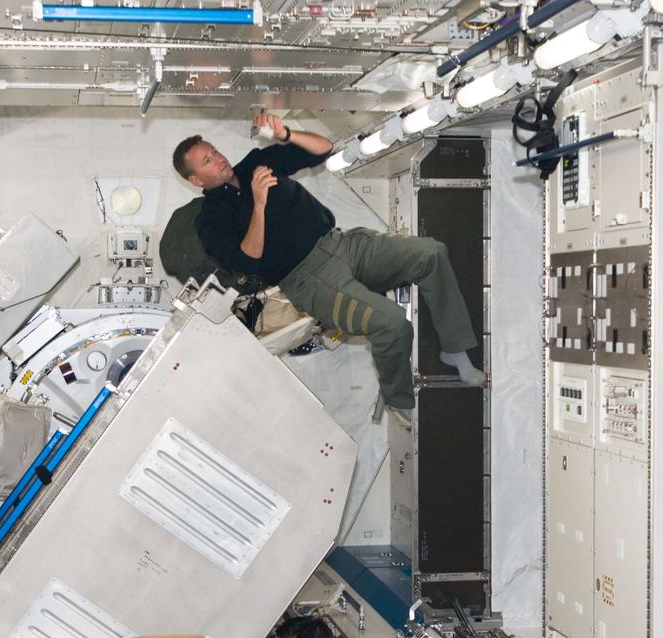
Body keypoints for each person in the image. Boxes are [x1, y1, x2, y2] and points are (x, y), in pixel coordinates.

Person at [171, 114, 485, 416]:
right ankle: (398, 397)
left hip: (341, 243)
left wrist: (286, 134)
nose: (218, 158)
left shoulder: (256, 164)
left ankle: (454, 347)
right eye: (207, 160)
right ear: (196, 179)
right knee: (392, 323)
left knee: (430, 253)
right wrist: (259, 204)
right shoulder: (210, 220)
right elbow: (247, 260)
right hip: (307, 279)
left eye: (215, 151)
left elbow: (322, 149)